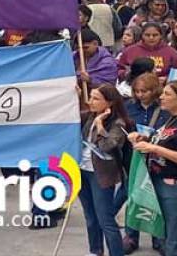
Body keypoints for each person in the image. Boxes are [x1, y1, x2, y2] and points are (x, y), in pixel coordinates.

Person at [129, 80, 177, 256]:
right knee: (166, 234)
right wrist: (144, 140)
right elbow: (159, 143)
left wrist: (155, 148)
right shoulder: (171, 119)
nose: (161, 97)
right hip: (159, 182)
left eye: (167, 94)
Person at [77, 83, 131, 256]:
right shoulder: (87, 117)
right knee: (90, 217)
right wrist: (76, 97)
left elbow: (108, 146)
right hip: (82, 171)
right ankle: (95, 250)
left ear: (110, 103)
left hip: (101, 174)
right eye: (90, 97)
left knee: (105, 219)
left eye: (96, 99)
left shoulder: (118, 123)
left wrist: (100, 126)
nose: (90, 101)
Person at [120, 72, 168, 254]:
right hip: (134, 157)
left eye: (145, 91)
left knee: (156, 197)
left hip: (157, 158)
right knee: (133, 195)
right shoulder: (129, 107)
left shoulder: (164, 108)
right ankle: (131, 235)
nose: (140, 95)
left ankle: (159, 236)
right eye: (137, 91)